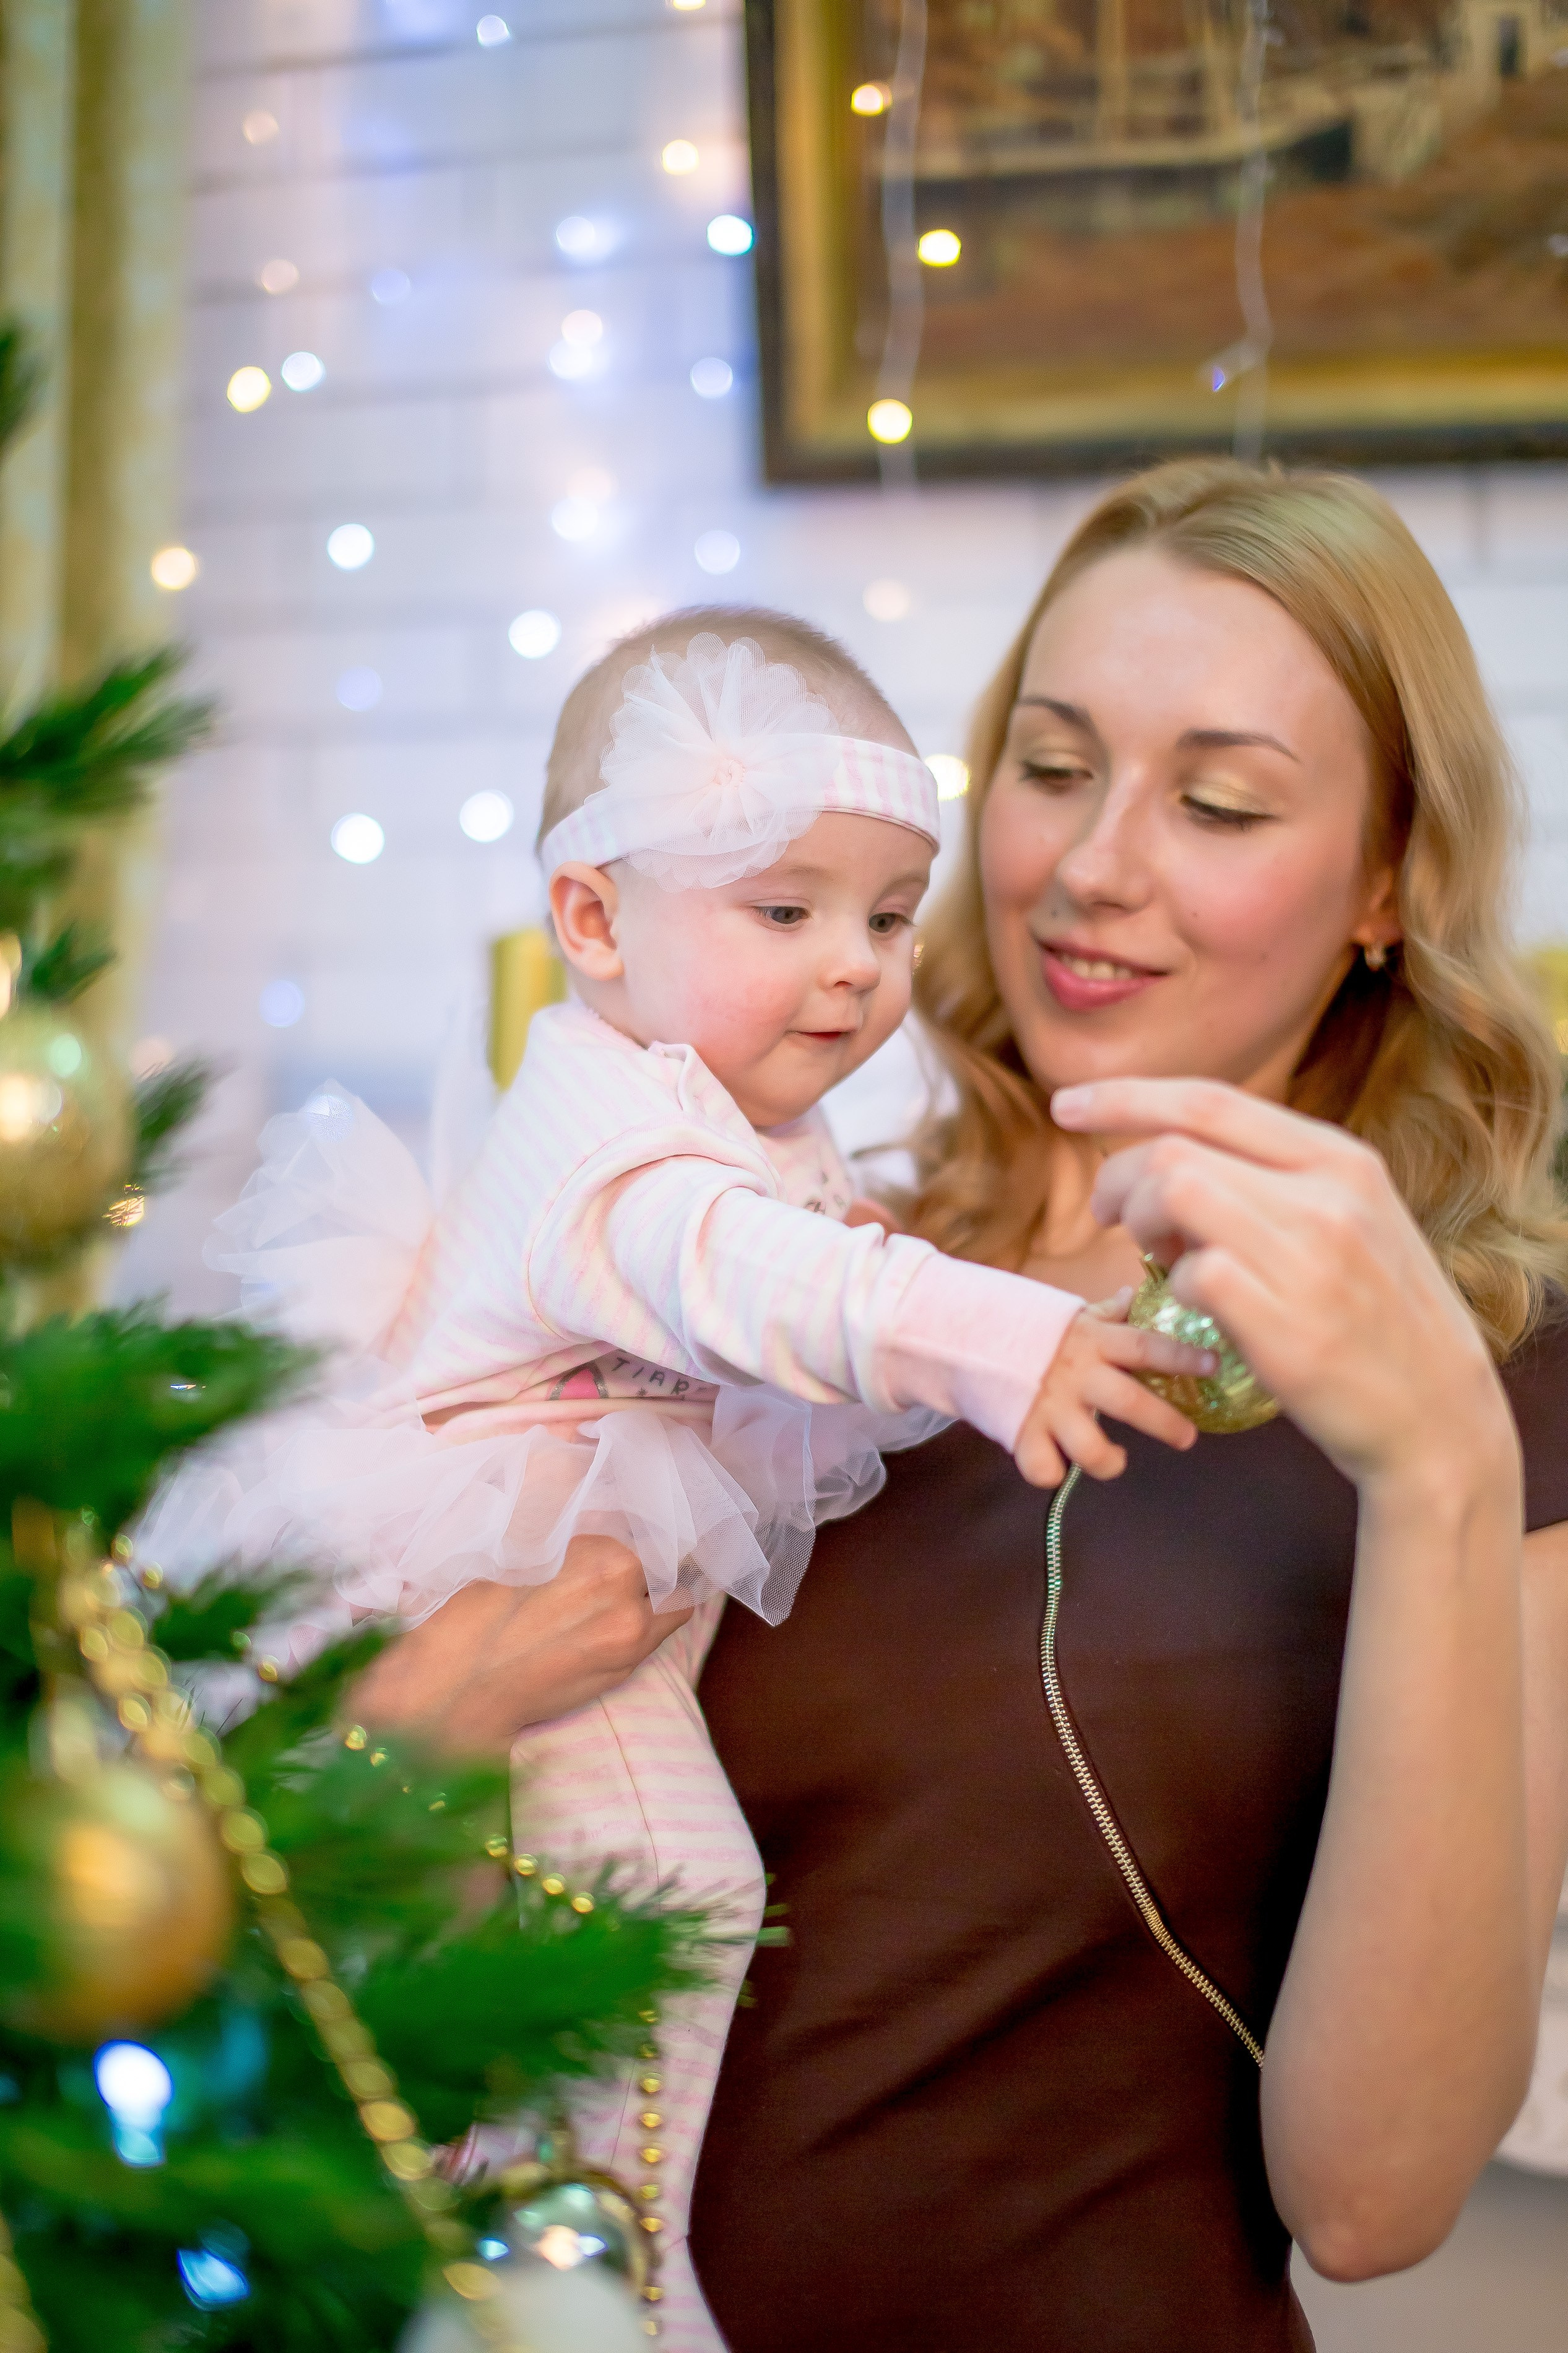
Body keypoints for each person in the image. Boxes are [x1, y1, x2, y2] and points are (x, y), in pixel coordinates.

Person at [356, 464, 1567, 2351]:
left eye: (1222, 800)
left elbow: (1376, 2198)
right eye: (1053, 767)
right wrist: (394, 1745)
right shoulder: (781, 1279)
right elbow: (416, 1953)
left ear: (1391, 882)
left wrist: (1438, 1471)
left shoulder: (1489, 1375)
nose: (1093, 867)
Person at [145, 611, 1212, 2347]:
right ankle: (607, 2287)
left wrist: (953, 1293)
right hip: (476, 1578)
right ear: (589, 918)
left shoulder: (743, 1126)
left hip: (572, 1574)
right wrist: (998, 1336)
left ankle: (538, 2250)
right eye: (784, 912)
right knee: (669, 1899)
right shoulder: (612, 1135)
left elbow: (806, 1309)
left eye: (884, 915)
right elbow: (745, 1281)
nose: (855, 967)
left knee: (516, 1958)